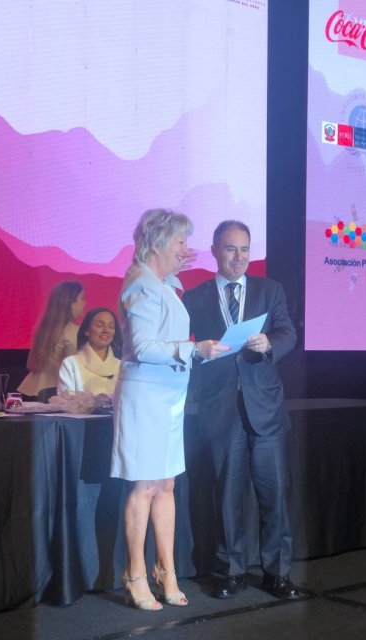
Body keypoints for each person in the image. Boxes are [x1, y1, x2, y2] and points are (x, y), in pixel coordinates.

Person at [110, 208, 227, 611]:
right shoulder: (141, 283)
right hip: (145, 398)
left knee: (166, 486)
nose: (186, 249)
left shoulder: (161, 281)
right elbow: (143, 347)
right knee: (144, 487)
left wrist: (173, 267)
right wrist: (194, 349)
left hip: (168, 397)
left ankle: (166, 570)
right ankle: (135, 573)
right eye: (180, 241)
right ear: (158, 242)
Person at [183, 220, 300, 600]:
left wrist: (269, 344)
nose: (239, 257)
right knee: (226, 497)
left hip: (265, 408)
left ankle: (277, 574)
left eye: (245, 249)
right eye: (231, 249)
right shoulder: (194, 297)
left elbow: (288, 333)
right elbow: (182, 346)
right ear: (215, 251)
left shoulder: (270, 290)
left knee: (274, 496)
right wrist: (198, 350)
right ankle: (230, 572)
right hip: (220, 408)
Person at [18, 281, 86, 398]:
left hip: (29, 391)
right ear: (71, 303)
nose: (85, 303)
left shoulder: (44, 330)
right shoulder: (72, 332)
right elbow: (74, 371)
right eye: (82, 299)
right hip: (53, 395)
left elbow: (31, 363)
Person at [57, 307, 121, 396]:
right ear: (86, 330)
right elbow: (66, 401)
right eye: (100, 325)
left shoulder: (122, 366)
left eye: (111, 327)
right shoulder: (70, 364)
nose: (106, 330)